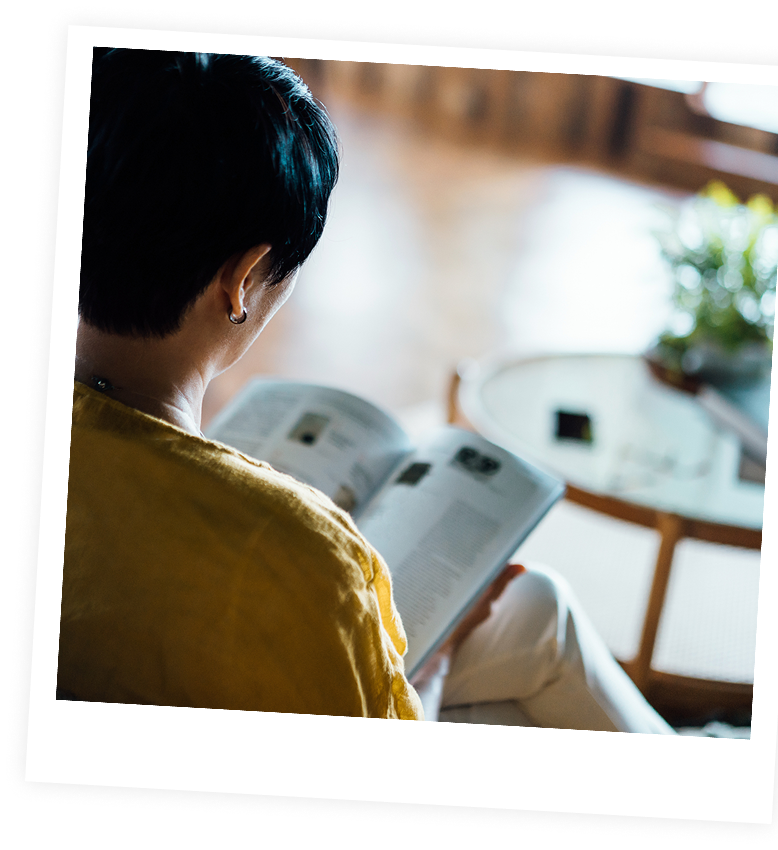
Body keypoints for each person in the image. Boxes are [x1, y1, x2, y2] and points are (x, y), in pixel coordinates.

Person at [60, 48, 673, 734]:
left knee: (535, 609)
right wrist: (433, 670)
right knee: (535, 626)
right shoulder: (309, 560)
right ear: (242, 279)